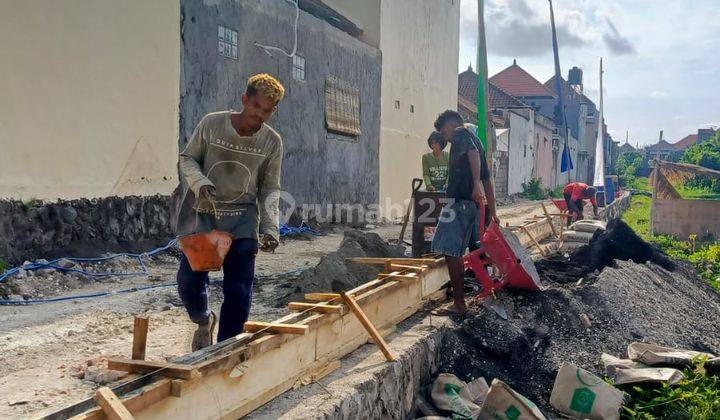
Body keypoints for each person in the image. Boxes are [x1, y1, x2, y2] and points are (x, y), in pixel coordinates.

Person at [174, 74, 285, 350]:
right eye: (256, 106)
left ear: (273, 111)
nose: (259, 115)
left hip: (243, 220)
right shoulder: (213, 124)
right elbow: (187, 158)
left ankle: (225, 349)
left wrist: (271, 228)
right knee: (189, 282)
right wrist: (200, 183)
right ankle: (202, 319)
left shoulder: (272, 142)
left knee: (238, 290)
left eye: (267, 111)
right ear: (244, 100)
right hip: (205, 214)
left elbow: (270, 188)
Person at [430, 110, 498, 316]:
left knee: (450, 251)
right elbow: (488, 180)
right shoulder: (476, 140)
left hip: (460, 203)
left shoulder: (461, 135)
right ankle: (462, 301)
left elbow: (474, 159)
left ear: (451, 125)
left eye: (444, 133)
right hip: (470, 206)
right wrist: (492, 212)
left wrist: (474, 185)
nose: (446, 139)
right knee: (457, 251)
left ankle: (459, 305)